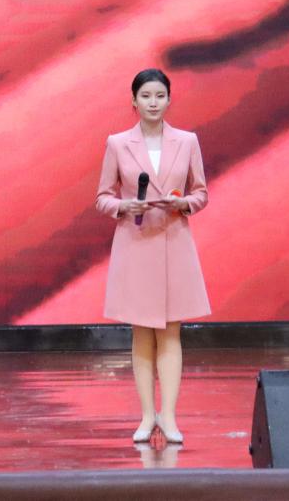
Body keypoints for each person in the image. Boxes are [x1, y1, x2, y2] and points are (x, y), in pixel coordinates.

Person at [95, 68, 209, 445]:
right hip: (137, 242)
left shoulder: (187, 141)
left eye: (160, 96)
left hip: (174, 241)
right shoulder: (117, 143)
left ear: (169, 99)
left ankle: (169, 417)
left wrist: (182, 203)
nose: (153, 103)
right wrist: (124, 206)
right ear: (134, 101)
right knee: (142, 332)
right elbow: (103, 196)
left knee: (171, 331)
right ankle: (147, 416)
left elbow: (201, 193)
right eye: (146, 96)